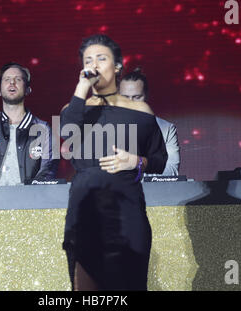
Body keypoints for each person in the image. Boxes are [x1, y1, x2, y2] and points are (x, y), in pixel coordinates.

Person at [60, 34, 168, 290]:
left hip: (127, 214)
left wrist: (136, 161)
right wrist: (81, 87)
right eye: (88, 60)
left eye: (101, 58)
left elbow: (159, 159)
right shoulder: (75, 108)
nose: (93, 64)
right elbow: (67, 132)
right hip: (85, 214)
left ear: (118, 66)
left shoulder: (140, 111)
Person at [0, 17, 58, 186]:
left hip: (27, 207)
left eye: (17, 79)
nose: (12, 83)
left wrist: (28, 194)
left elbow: (48, 169)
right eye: (6, 79)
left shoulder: (42, 128)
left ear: (28, 89)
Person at [119, 68, 180, 176]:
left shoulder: (166, 129)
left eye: (137, 97)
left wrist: (138, 163)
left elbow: (171, 172)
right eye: (125, 98)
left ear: (146, 95)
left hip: (152, 192)